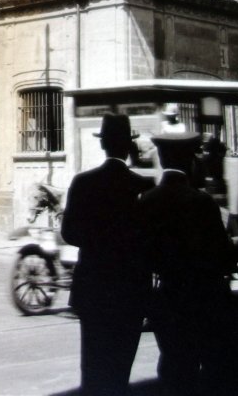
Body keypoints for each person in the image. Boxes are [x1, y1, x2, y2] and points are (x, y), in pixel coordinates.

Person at [138, 132, 238, 396]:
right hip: (206, 298)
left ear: (163, 160)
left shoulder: (148, 200)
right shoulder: (201, 201)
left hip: (168, 298)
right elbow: (222, 255)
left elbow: (143, 252)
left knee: (177, 368)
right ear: (190, 160)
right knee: (223, 365)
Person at [61, 113, 154, 396]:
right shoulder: (143, 187)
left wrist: (98, 242)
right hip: (131, 289)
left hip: (93, 287)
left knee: (92, 366)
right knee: (121, 367)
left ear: (103, 146)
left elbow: (69, 234)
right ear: (128, 147)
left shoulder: (83, 182)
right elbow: (150, 240)